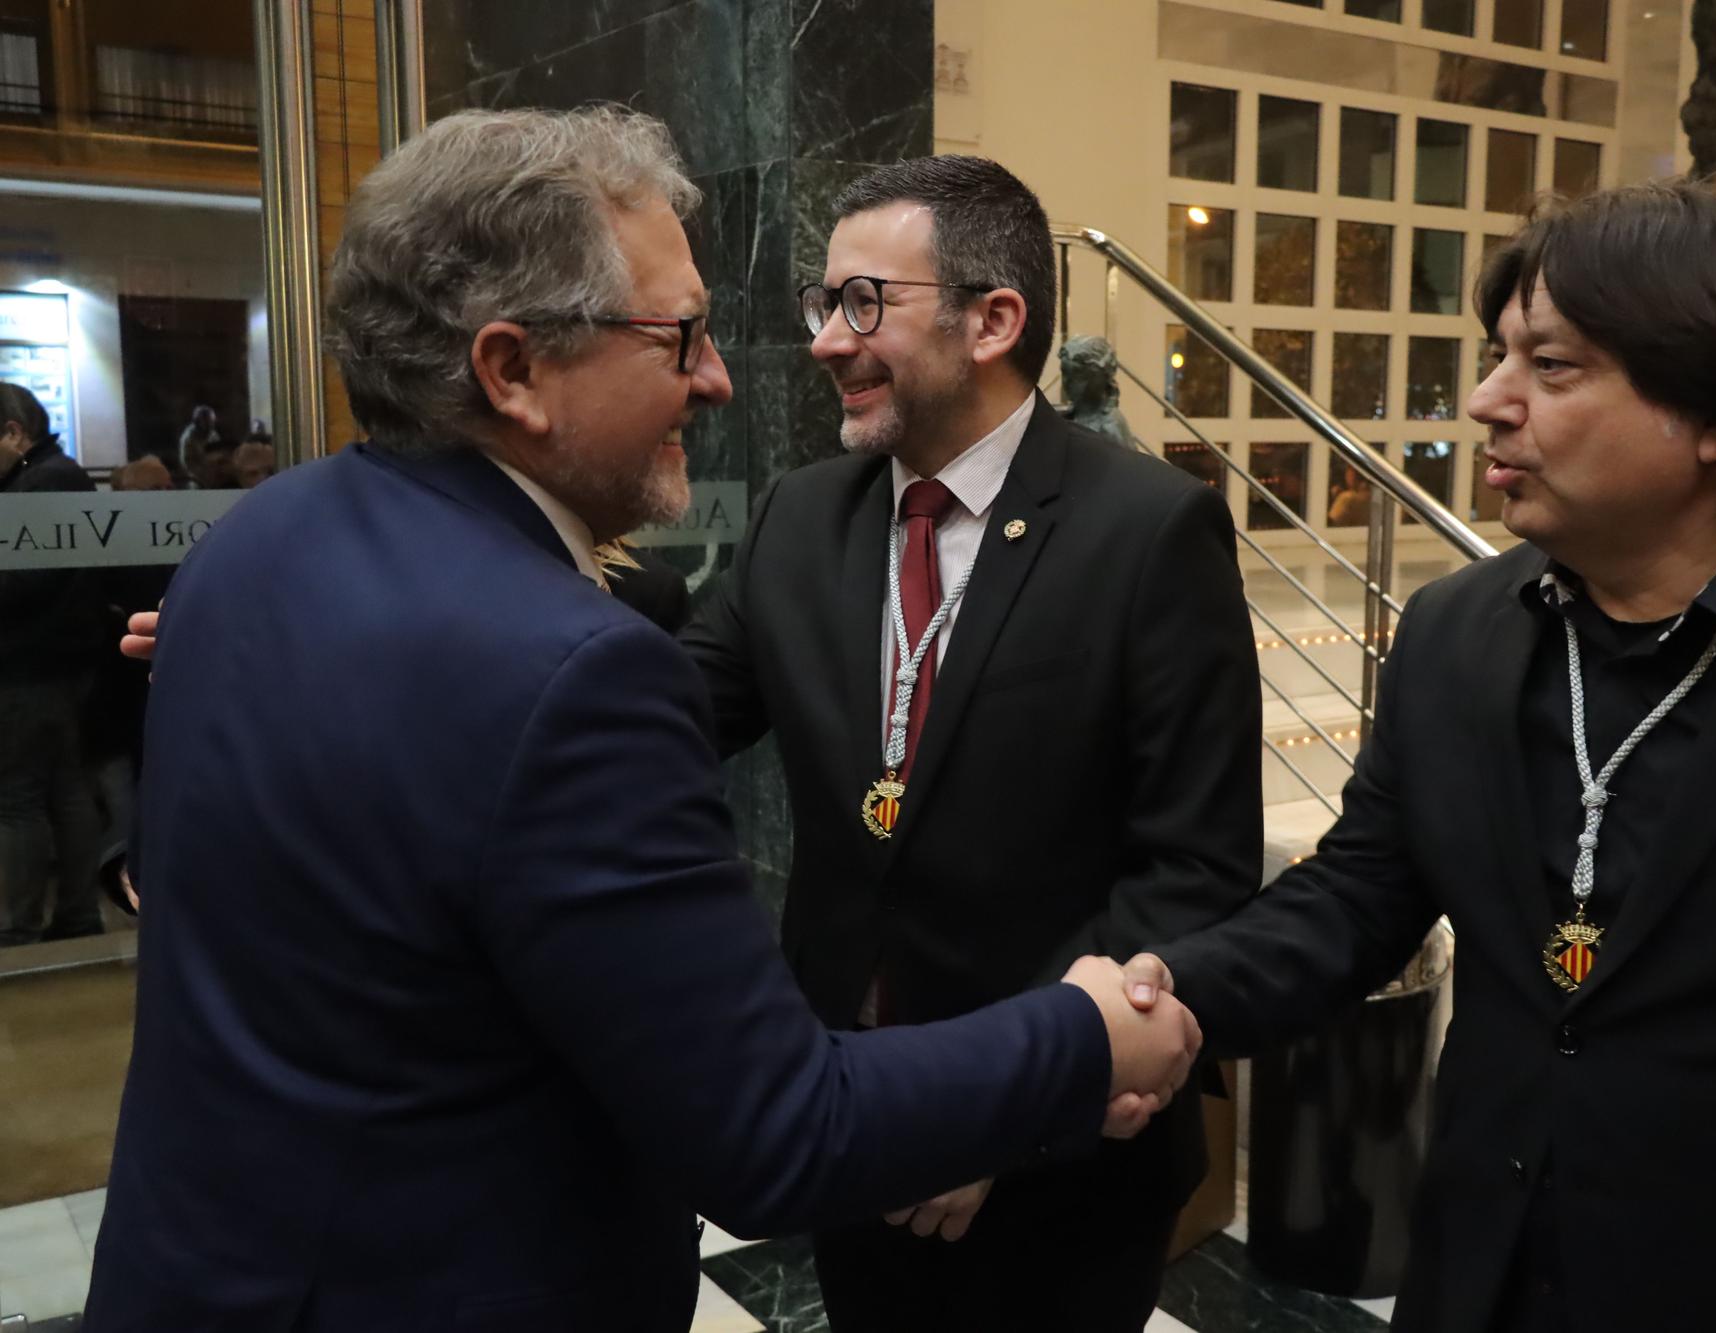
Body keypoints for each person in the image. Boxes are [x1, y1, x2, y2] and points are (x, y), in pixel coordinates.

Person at [84, 108, 1202, 1333]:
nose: (724, 374)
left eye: (859, 305)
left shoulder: (251, 548)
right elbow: (771, 1132)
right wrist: (1080, 1040)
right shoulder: (591, 660)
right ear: (510, 371)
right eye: (679, 333)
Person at [1118, 181, 1716, 1332]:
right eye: (1495, 357)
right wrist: (1160, 995)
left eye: (1550, 365)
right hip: (1487, 1280)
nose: (1487, 401)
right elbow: (1352, 901)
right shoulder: (1452, 637)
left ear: (1710, 407)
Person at [679, 156, 1262, 1330]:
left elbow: (1192, 871)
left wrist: (1002, 1109)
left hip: (1066, 1158)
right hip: (853, 1119)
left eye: (863, 304)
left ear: (993, 318)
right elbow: (670, 706)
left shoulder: (1147, 533)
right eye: (820, 302)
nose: (826, 343)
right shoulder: (804, 517)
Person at [0, 381, 105, 946]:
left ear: (14, 433)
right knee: (63, 789)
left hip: (33, 664)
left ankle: (18, 926)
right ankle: (75, 915)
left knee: (19, 797)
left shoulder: (47, 481)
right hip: (52, 663)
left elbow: (26, 581)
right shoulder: (45, 476)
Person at [175, 403, 220, 483]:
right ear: (197, 422)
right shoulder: (189, 438)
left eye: (211, 422)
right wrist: (203, 474)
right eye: (206, 422)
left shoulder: (213, 435)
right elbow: (187, 463)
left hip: (214, 477)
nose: (210, 425)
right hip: (197, 479)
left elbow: (218, 454)